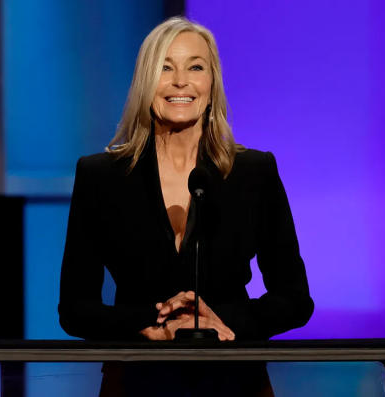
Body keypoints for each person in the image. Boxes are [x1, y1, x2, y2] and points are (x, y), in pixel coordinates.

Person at [58, 17, 313, 396]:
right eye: (165, 67)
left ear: (212, 85)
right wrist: (150, 324)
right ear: (147, 83)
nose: (181, 81)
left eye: (195, 67)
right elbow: (75, 308)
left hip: (234, 381)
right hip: (137, 381)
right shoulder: (101, 176)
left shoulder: (254, 172)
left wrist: (218, 320)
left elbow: (294, 300)